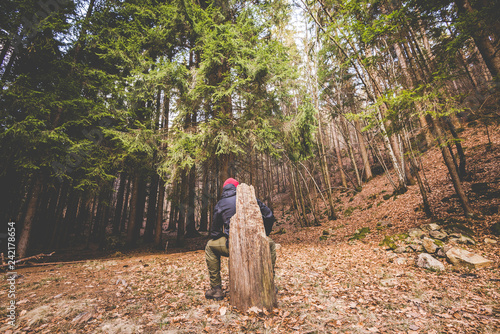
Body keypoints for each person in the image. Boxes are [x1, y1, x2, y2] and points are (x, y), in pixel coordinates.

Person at [205, 177, 277, 300]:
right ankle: (269, 282)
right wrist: (264, 234)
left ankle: (216, 289)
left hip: (233, 245)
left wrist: (226, 236)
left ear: (224, 189)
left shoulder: (220, 204)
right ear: (237, 187)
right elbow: (269, 216)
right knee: (270, 244)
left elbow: (215, 233)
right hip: (255, 242)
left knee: (209, 247)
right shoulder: (251, 198)